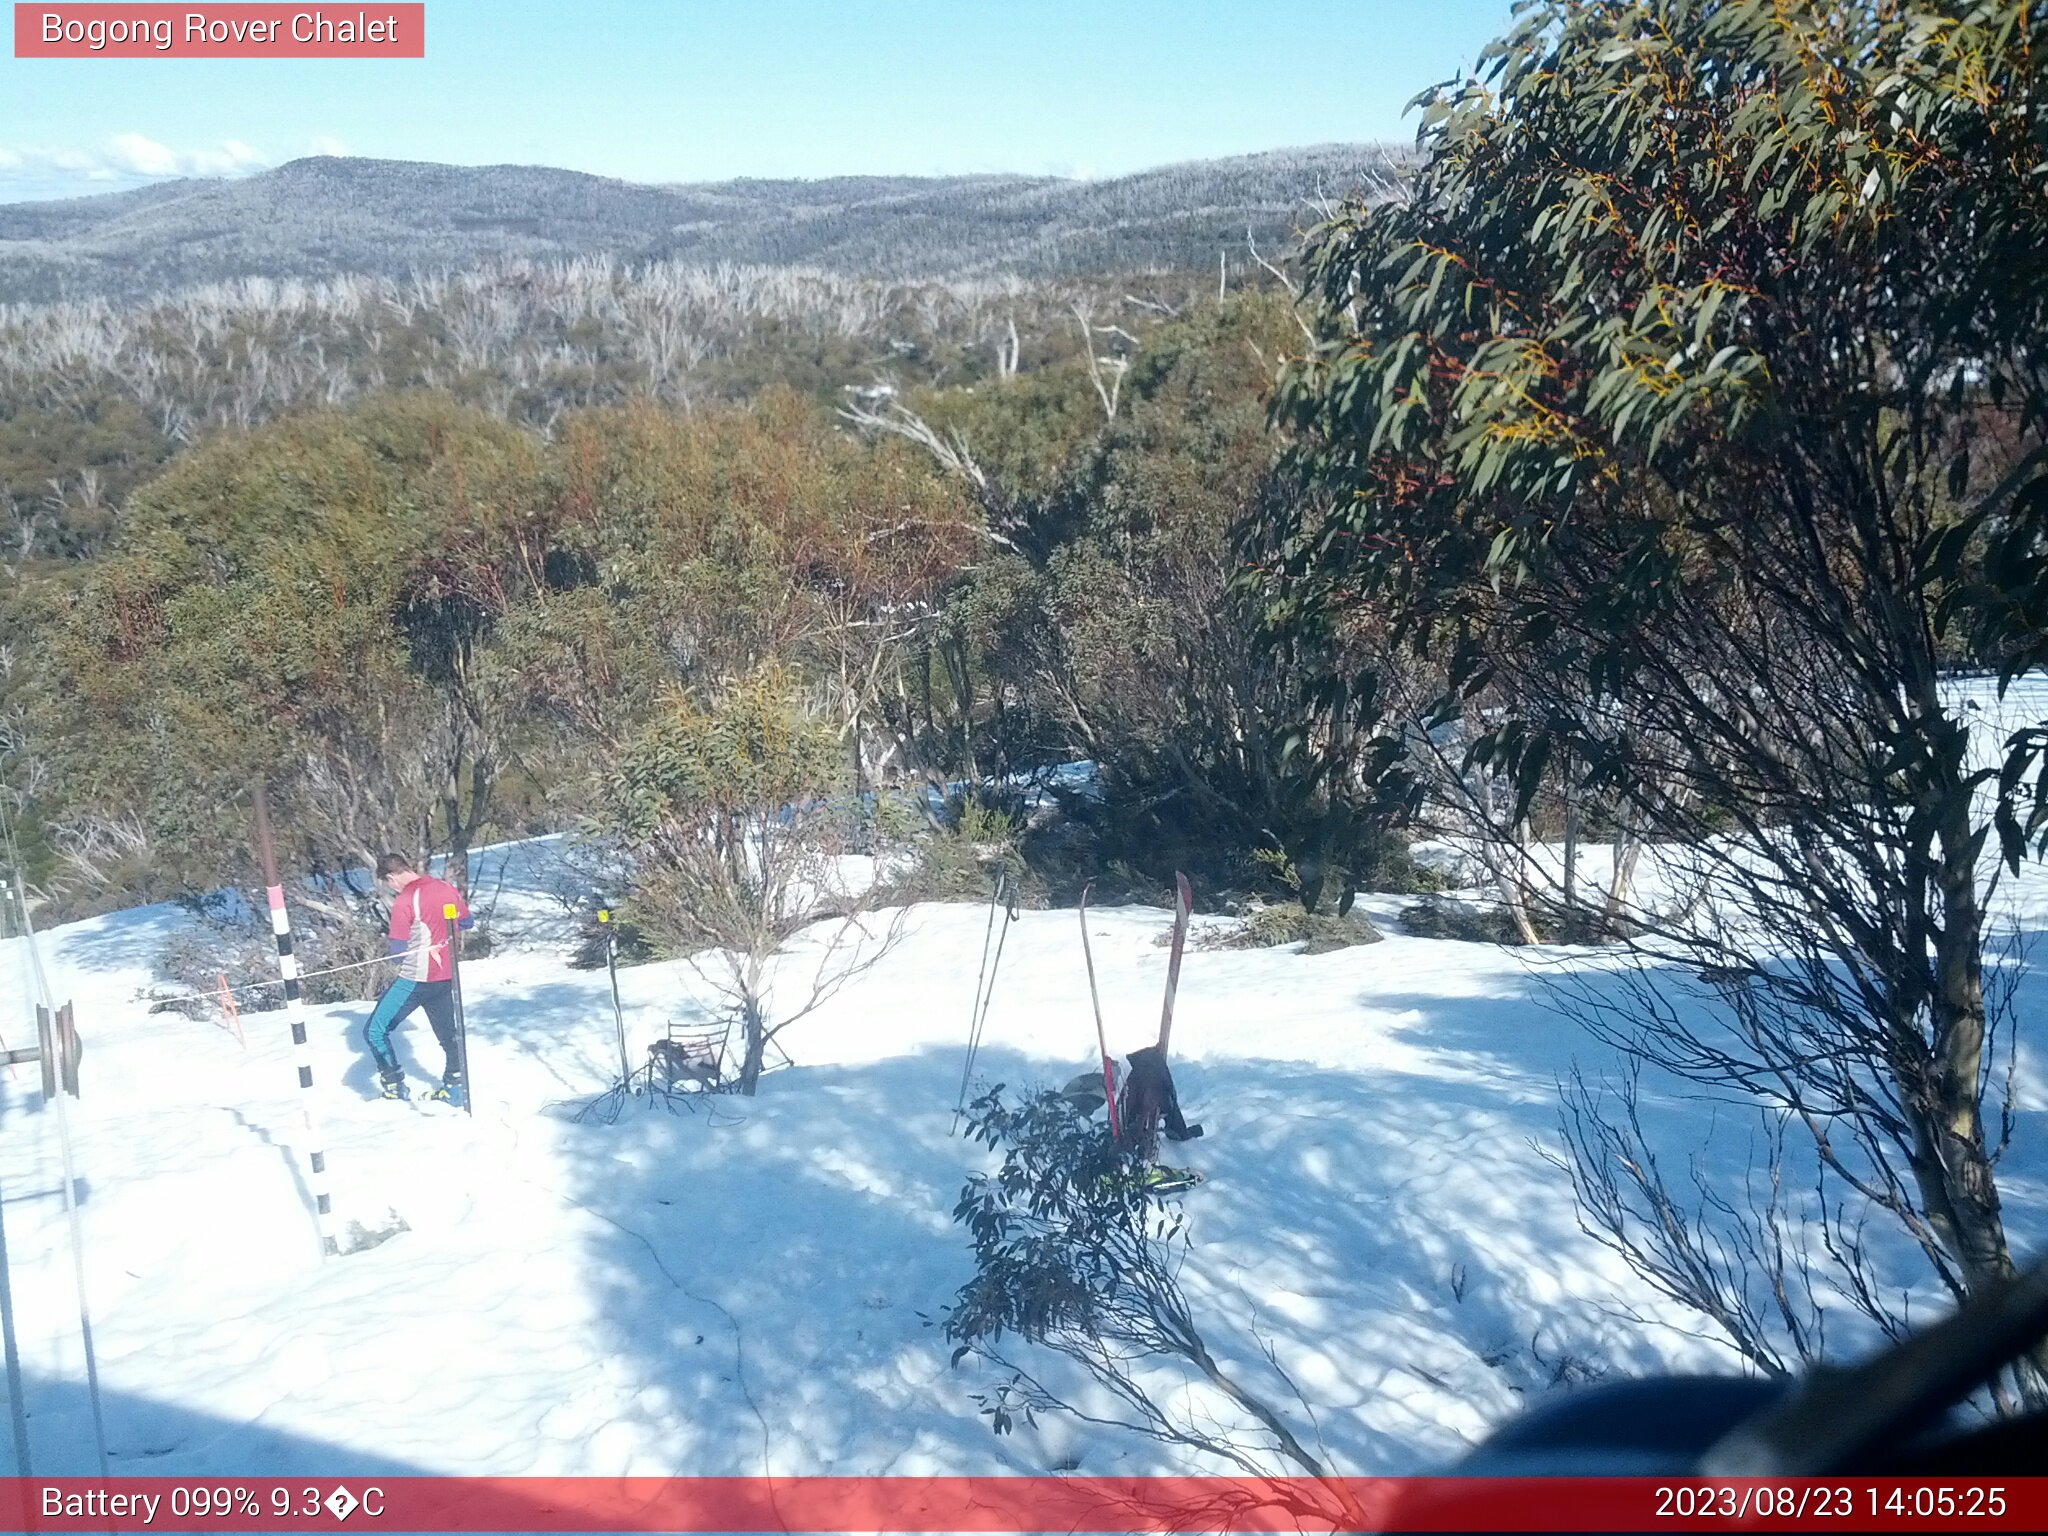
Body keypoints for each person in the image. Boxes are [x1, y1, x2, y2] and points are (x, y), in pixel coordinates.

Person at [365, 853, 472, 1104]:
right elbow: (466, 921)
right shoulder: (446, 888)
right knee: (449, 1036)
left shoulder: (406, 899)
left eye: (389, 883)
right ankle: (454, 1088)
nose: (391, 887)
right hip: (446, 978)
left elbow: (398, 952)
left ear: (392, 877)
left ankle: (393, 1086)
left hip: (415, 980)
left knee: (374, 1031)